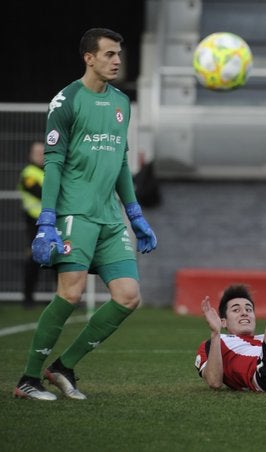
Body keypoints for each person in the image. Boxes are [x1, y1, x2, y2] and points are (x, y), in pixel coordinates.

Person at [13, 28, 157, 401]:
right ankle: (28, 380)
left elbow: (121, 163)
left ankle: (63, 367)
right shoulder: (66, 101)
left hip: (110, 219)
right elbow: (54, 164)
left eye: (119, 54)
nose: (117, 61)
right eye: (109, 54)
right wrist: (47, 220)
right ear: (88, 58)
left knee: (128, 296)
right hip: (75, 213)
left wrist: (135, 214)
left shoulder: (123, 102)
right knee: (70, 293)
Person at [18, 141, 48, 309]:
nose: (40, 155)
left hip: (53, 222)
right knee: (33, 260)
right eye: (37, 152)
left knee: (58, 258)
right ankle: (28, 298)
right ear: (31, 154)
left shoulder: (50, 171)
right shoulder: (28, 173)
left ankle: (60, 297)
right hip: (34, 223)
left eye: (43, 152)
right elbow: (40, 192)